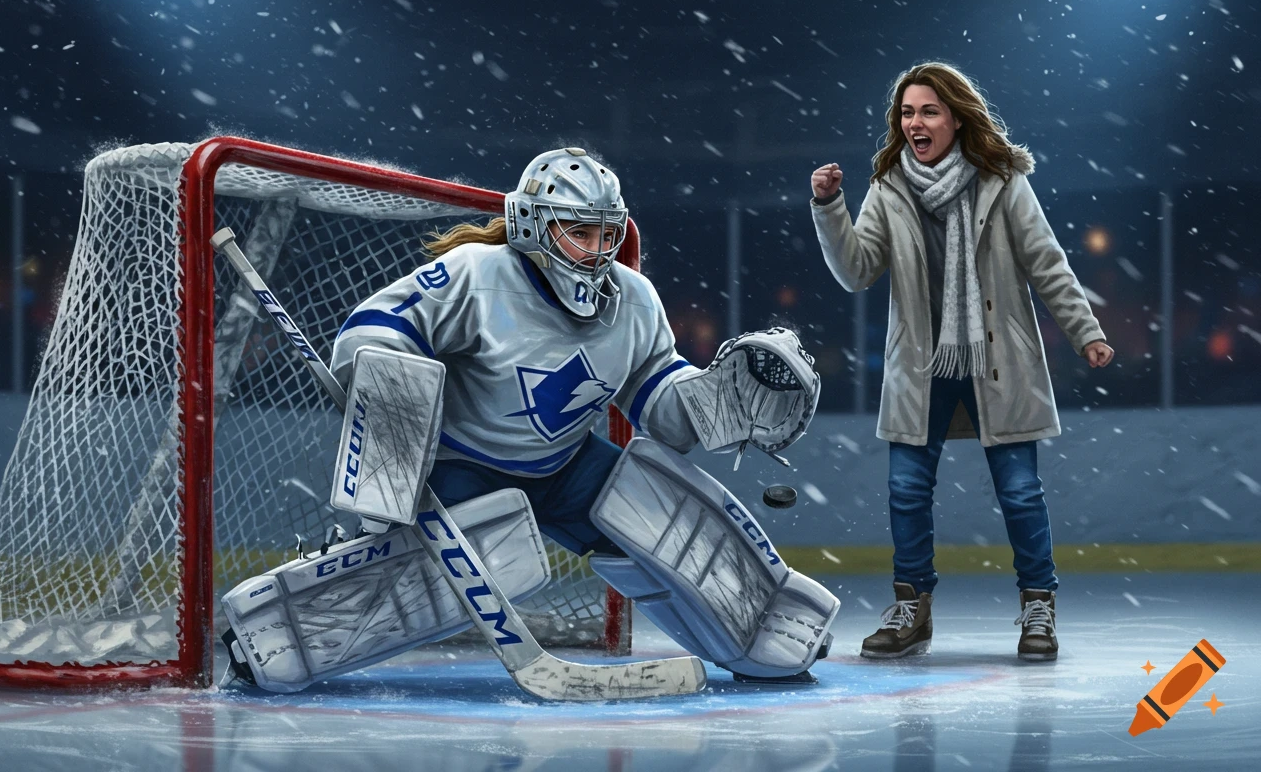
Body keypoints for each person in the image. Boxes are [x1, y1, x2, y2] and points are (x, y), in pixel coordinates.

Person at [222, 146, 837, 692]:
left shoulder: (635, 299)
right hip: (462, 465)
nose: (597, 253)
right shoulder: (476, 275)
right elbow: (373, 328)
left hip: (567, 464)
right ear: (533, 227)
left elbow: (662, 412)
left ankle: (768, 630)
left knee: (667, 516)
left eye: (606, 234)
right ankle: (270, 641)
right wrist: (391, 388)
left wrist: (715, 404)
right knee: (444, 572)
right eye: (579, 233)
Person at [809, 62, 1114, 662]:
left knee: (1020, 491)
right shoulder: (888, 187)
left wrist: (1086, 332)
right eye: (906, 113)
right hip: (921, 365)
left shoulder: (1002, 181)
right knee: (906, 489)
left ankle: (1038, 609)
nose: (915, 122)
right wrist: (828, 207)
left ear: (954, 117)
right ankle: (911, 609)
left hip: (996, 358)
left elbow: (1046, 263)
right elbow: (857, 270)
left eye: (927, 111)